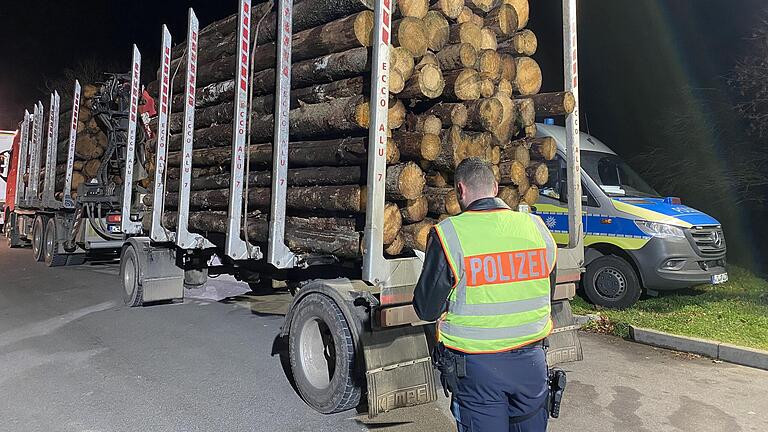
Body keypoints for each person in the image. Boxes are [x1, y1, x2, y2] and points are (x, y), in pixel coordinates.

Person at [413, 157, 558, 432]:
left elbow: (426, 309)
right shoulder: (536, 228)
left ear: (460, 191)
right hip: (532, 363)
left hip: (477, 368)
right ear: (495, 187)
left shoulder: (449, 235)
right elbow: (545, 291)